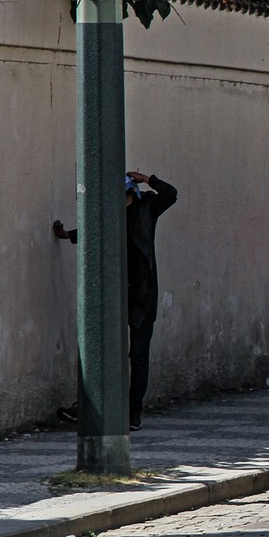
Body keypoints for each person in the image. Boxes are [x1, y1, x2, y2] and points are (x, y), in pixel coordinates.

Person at [53, 171, 178, 431]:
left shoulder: (147, 208)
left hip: (142, 294)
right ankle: (92, 407)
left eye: (120, 195)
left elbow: (171, 194)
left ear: (130, 192)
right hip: (116, 292)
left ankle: (133, 413)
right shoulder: (110, 215)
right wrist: (66, 235)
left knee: (139, 356)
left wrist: (148, 178)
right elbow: (92, 232)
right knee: (104, 351)